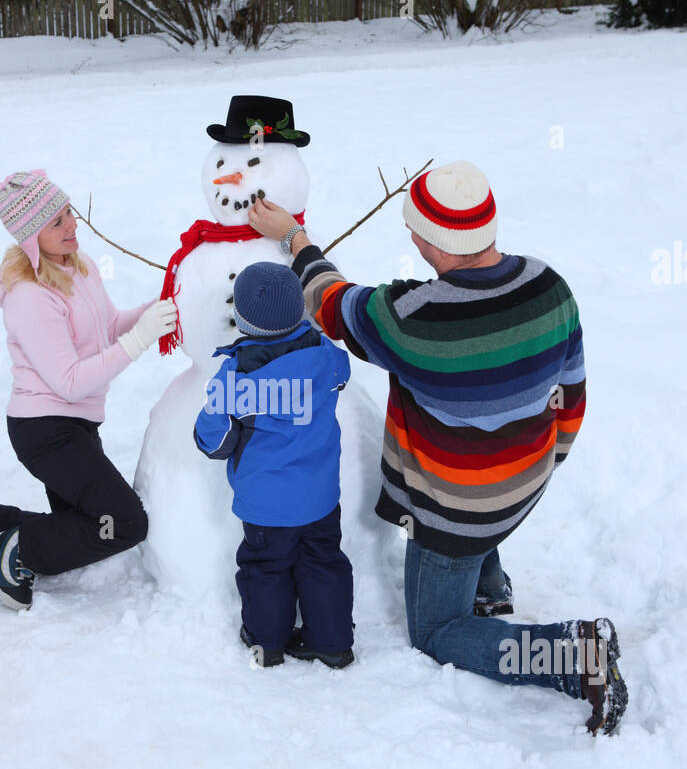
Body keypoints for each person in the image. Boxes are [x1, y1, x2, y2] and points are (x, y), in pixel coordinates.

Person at [247, 160, 628, 735]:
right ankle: (490, 588)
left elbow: (331, 303)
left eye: (413, 229)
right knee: (487, 499)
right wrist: (545, 461)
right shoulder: (551, 286)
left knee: (437, 633)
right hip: (526, 482)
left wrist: (294, 239)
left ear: (430, 240)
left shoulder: (415, 318)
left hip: (454, 514)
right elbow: (571, 395)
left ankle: (576, 655)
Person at [0, 169, 177, 611]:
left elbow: (106, 328)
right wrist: (140, 341)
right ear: (29, 236)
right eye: (56, 221)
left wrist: (156, 310)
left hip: (76, 426)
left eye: (68, 212)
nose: (71, 225)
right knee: (122, 522)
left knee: (83, 523)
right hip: (45, 431)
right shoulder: (28, 295)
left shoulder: (77, 267)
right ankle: (18, 552)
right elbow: (69, 381)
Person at [193, 262, 354, 669]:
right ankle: (333, 644)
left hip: (266, 507)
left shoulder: (235, 380)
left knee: (266, 568)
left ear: (242, 321)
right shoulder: (325, 357)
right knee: (323, 561)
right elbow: (342, 374)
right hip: (320, 496)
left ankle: (266, 642)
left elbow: (213, 441)